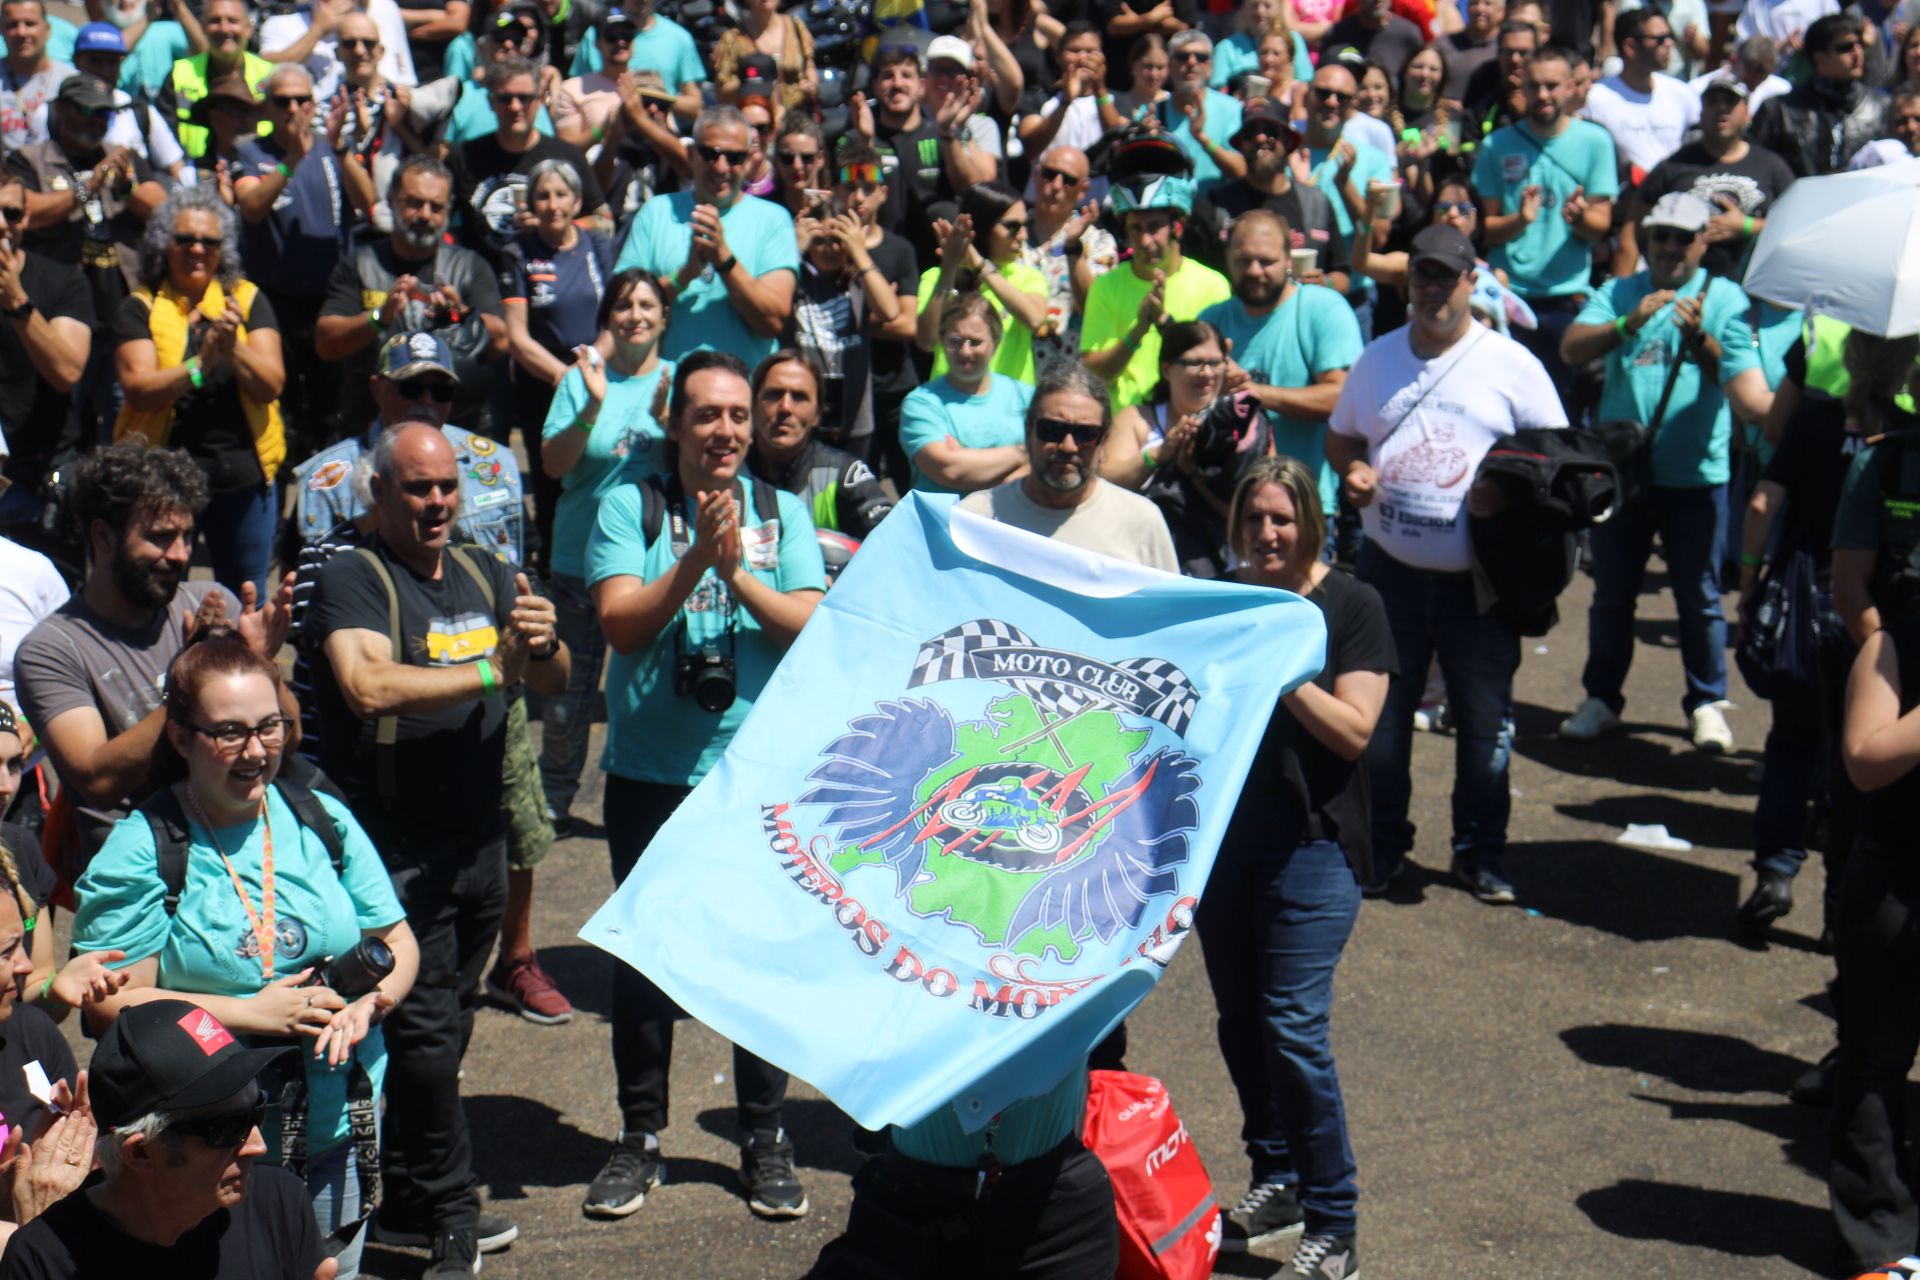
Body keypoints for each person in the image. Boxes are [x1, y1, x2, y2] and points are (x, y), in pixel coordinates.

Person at [807, 367, 1150, 1280]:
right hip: (967, 808)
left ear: (1103, 435)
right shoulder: (970, 520)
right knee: (937, 992)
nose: (1066, 445)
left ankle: (1040, 1158)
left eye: (1084, 431)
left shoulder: (1137, 525)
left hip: (1082, 818)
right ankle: (931, 1155)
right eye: (1050, 427)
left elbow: (1173, 680)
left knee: (1066, 1026)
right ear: (1027, 427)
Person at [73, 627, 420, 1280]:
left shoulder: (319, 815)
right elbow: (110, 1007)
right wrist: (250, 1013)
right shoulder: (145, 847)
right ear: (179, 737)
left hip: (341, 1128)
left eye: (271, 727)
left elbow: (396, 939)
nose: (256, 751)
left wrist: (374, 1004)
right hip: (214, 1155)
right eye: (229, 732)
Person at [306, 422, 567, 1272]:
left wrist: (544, 639)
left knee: (447, 1026)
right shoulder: (354, 577)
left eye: (448, 486)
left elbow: (554, 678)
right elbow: (366, 684)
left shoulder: (483, 570)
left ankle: (409, 1195)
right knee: (418, 1038)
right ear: (378, 495)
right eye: (418, 488)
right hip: (397, 856)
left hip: (478, 842)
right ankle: (452, 1213)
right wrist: (495, 669)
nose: (437, 503)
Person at [583, 351, 824, 1223]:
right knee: (646, 963)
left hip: (757, 774)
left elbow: (810, 622)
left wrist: (736, 572)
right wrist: (693, 563)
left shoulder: (783, 512)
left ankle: (764, 1138)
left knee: (761, 957)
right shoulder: (628, 504)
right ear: (675, 425)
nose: (723, 430)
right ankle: (639, 1137)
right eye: (706, 415)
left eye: (736, 416)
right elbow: (619, 621)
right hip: (651, 773)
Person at [1326, 223, 1567, 902]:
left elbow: (1558, 459)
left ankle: (1481, 854)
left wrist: (1508, 492)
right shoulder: (1376, 359)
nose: (1433, 288)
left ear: (1471, 283)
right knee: (1382, 721)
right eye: (1422, 275)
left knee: (1486, 721)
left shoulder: (1512, 364)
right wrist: (1352, 473)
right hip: (1388, 573)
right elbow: (1341, 436)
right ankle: (1381, 847)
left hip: (1480, 583)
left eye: (1446, 276)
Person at [1201, 456, 1390, 1280]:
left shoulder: (1353, 605)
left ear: (1309, 524)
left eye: (1281, 519)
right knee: (1241, 1023)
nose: (1267, 534)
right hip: (1226, 848)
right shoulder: (1223, 602)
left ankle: (1334, 1219)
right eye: (1253, 521)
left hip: (1314, 850)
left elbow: (1353, 730)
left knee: (1291, 1025)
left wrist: (1283, 669)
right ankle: (1275, 1179)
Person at [1556, 191, 1773, 751]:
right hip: (1625, 473)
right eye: (1662, 237)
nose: (1672, 248)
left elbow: (1739, 376)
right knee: (1611, 595)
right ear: (1647, 240)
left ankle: (1707, 702)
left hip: (1696, 473)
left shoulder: (1725, 298)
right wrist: (1628, 323)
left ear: (1704, 241)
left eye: (1684, 237)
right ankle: (1601, 697)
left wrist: (1698, 339)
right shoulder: (1624, 289)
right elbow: (1573, 347)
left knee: (1698, 596)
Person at [15, 442, 293, 866]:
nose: (181, 554)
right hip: (145, 880)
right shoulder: (53, 649)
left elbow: (290, 742)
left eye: (187, 536)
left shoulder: (213, 604)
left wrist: (261, 665)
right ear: (103, 536)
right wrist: (195, 679)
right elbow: (97, 779)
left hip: (247, 855)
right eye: (161, 537)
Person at [0, 999, 326, 1279]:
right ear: (142, 1152)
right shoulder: (43, 1260)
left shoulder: (280, 1203)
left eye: (257, 1111)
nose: (258, 1145)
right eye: (228, 1128)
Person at [538, 271, 670, 833]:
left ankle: (656, 793)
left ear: (665, 316)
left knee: (651, 690)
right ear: (608, 317)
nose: (634, 315)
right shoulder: (580, 378)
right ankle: (552, 802)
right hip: (577, 558)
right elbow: (552, 464)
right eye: (623, 305)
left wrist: (671, 425)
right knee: (568, 698)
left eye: (646, 305)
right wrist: (592, 405)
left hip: (651, 564)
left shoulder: (679, 379)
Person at [114, 185, 286, 606]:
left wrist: (233, 348)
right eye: (185, 239)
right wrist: (200, 364)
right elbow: (139, 390)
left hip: (244, 481)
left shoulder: (245, 299)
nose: (197, 250)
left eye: (209, 242)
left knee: (246, 599)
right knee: (159, 601)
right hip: (164, 485)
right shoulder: (140, 306)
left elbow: (272, 384)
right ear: (162, 245)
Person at [8, 73, 167, 449]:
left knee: (123, 431)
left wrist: (126, 188)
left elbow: (163, 209)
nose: (95, 120)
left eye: (104, 114)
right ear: (60, 110)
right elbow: (28, 210)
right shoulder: (29, 159)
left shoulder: (123, 156)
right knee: (62, 426)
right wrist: (88, 187)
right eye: (86, 110)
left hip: (118, 320)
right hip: (60, 320)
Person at [230, 64, 370, 462]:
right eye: (283, 100)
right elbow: (252, 209)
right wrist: (292, 158)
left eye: (302, 99)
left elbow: (367, 201)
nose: (293, 108)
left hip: (330, 301)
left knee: (331, 409)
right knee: (285, 405)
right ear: (267, 108)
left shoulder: (331, 149)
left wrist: (341, 148)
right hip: (277, 302)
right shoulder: (250, 151)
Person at [315, 153, 509, 431]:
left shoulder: (470, 266)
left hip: (456, 429)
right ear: (391, 200)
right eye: (414, 203)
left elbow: (501, 342)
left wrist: (460, 314)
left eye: (436, 207)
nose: (425, 215)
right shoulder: (359, 264)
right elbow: (327, 343)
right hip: (374, 428)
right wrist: (380, 316)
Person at [1472, 45, 1618, 409]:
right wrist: (1519, 220)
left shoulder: (1595, 142)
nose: (1543, 95)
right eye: (1534, 86)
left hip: (1566, 298)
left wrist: (1580, 217)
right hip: (1509, 299)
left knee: (1562, 410)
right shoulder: (1496, 145)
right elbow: (1482, 230)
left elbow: (1601, 226)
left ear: (1571, 87)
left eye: (1552, 85)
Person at [1204, 210, 1364, 519]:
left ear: (1289, 259)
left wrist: (1255, 393)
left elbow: (1343, 397)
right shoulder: (1211, 320)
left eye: (1266, 261)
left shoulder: (1322, 309)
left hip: (1301, 505)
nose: (1254, 271)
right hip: (1224, 505)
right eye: (1243, 260)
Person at [500, 154, 614, 572]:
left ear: (577, 199)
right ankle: (553, 572)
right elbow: (517, 335)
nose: (552, 204)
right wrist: (564, 377)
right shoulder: (518, 252)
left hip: (597, 378)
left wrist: (590, 365)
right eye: (543, 196)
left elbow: (616, 317)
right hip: (542, 386)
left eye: (561, 194)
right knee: (551, 488)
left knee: (599, 475)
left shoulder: (597, 245)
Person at [614, 105, 798, 365]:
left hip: (743, 395)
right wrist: (683, 276)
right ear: (690, 155)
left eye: (734, 158)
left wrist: (724, 260)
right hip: (669, 396)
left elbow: (773, 321)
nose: (721, 167)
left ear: (748, 161)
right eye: (710, 154)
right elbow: (620, 307)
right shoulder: (656, 212)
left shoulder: (774, 220)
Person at [786, 145, 916, 460]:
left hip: (856, 418)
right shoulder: (799, 280)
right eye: (820, 242)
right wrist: (793, 250)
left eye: (837, 241)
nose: (829, 248)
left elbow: (890, 311)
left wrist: (858, 252)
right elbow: (773, 306)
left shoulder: (859, 278)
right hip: (804, 414)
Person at [1618, 78, 1795, 281]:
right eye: (1712, 102)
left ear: (1747, 114)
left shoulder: (1772, 167)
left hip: (1752, 290)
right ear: (1700, 113)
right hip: (1682, 291)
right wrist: (1622, 293)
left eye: (1730, 102)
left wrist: (1747, 226)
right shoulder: (1673, 166)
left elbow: (1796, 227)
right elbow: (1632, 231)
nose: (1721, 108)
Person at [1081, 176, 1231, 411]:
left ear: (1177, 228)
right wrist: (1137, 331)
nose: (1144, 240)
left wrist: (1162, 322)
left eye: (1154, 227)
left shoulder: (1214, 285)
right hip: (1124, 428)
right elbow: (1095, 375)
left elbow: (1221, 368)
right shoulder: (1106, 286)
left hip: (1192, 422)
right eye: (1135, 228)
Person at [0, 168, 92, 553]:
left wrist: (18, 304)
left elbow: (67, 370)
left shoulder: (63, 281)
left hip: (39, 482)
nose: (2, 225)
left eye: (12, 213)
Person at [449, 56, 608, 273]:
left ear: (539, 99)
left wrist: (557, 225)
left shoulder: (567, 157)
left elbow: (605, 221)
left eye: (524, 98)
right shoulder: (463, 157)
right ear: (491, 102)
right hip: (482, 283)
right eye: (505, 98)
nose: (515, 107)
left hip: (550, 280)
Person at [854, 42, 999, 264]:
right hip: (879, 259)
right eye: (887, 76)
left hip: (935, 261)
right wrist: (866, 141)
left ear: (921, 85)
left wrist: (948, 133)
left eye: (906, 75)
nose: (897, 83)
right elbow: (855, 195)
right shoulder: (858, 137)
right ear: (874, 86)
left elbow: (971, 188)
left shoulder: (939, 133)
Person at [1192, 96, 1350, 291]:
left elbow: (1342, 274)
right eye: (1251, 133)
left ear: (1287, 141)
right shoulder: (1215, 206)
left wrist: (1326, 283)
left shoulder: (1317, 203)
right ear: (1241, 144)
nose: (1260, 139)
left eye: (1271, 132)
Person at [746, 348, 893, 544]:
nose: (785, 408)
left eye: (799, 397)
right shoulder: (728, 470)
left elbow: (891, 540)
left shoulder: (842, 473)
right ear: (753, 405)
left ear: (817, 414)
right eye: (774, 395)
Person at [900, 292, 1038, 494]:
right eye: (955, 340)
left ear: (996, 341)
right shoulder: (921, 403)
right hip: (943, 523)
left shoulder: (1025, 396)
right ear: (942, 340)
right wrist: (1025, 453)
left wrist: (968, 459)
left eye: (975, 342)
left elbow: (1049, 465)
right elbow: (950, 470)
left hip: (1010, 523)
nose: (965, 351)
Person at [916, 180, 1050, 389]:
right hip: (950, 407)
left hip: (1011, 410)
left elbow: (1035, 319)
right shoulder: (936, 277)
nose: (1023, 236)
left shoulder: (1028, 277)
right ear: (983, 227)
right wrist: (950, 268)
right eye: (1013, 227)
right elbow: (927, 341)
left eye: (1025, 225)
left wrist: (979, 264)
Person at [1300, 63, 1396, 338]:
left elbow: (1378, 236)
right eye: (1323, 93)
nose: (1331, 102)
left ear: (1352, 104)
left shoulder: (1372, 159)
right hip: (1286, 296)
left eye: (1341, 97)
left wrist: (1345, 184)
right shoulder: (1285, 150)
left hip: (1351, 300)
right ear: (1307, 95)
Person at [1749, 12, 1888, 176]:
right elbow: (1754, 165)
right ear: (1820, 58)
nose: (1858, 53)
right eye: (1846, 47)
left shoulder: (1880, 107)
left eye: (1860, 45)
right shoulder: (1779, 111)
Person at [1577, 8, 1698, 177]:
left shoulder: (1682, 93)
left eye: (1670, 37)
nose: (1669, 44)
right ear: (1630, 47)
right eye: (1660, 39)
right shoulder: (1594, 99)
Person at [1023, 145, 1116, 357]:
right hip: (1011, 375)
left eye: (1068, 180)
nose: (1056, 186)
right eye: (1049, 174)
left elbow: (1095, 310)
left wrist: (1074, 248)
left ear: (1083, 189)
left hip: (1066, 377)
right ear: (1037, 175)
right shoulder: (1008, 231)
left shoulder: (1097, 242)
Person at [158, 0, 272, 160]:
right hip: (195, 171)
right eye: (215, 21)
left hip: (259, 172)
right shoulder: (179, 73)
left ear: (248, 29)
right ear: (203, 28)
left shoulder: (270, 76)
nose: (224, 29)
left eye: (232, 21)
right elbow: (164, 134)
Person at [1015, 24, 1126, 177]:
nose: (1082, 58)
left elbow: (1118, 142)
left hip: (1099, 197)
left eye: (1090, 51)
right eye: (1074, 50)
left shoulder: (1116, 100)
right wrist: (1065, 102)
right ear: (1058, 56)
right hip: (1045, 194)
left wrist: (1100, 90)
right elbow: (1031, 147)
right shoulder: (1038, 97)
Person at [258, 0, 416, 104]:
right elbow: (265, 73)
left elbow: (404, 81)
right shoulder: (279, 24)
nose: (359, 50)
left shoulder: (382, 9)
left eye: (367, 43)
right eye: (349, 43)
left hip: (383, 126)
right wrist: (317, 30)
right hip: (315, 131)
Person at [1164, 31, 1247, 191]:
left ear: (1210, 67)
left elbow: (1241, 171)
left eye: (1201, 57)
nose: (1191, 62)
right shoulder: (1153, 111)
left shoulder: (1231, 109)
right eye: (1182, 56)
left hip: (1214, 211)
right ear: (1170, 65)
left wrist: (1203, 139)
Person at [709, 0, 816, 113]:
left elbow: (809, 65)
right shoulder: (733, 39)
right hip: (758, 118)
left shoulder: (796, 27)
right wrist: (749, 81)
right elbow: (721, 92)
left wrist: (811, 85)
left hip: (797, 114)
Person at [0, 0, 74, 149]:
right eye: (12, 25)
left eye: (30, 23)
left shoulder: (70, 81)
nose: (21, 32)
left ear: (47, 29)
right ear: (2, 30)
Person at [1216, 0, 1314, 89]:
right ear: (1244, 8)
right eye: (1254, 6)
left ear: (1278, 8)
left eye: (1267, 6)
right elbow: (1218, 92)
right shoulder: (1226, 48)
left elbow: (1305, 81)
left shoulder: (1293, 40)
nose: (1260, 12)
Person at [1690, 33, 1790, 114]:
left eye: (1762, 73)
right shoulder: (1699, 89)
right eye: (1751, 69)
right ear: (1733, 60)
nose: (1755, 78)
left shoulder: (1781, 91)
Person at [1442, 0, 1503, 102]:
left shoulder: (1505, 50)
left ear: (1502, 12)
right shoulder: (1444, 44)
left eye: (1487, 4)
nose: (1480, 9)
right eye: (1474, 3)